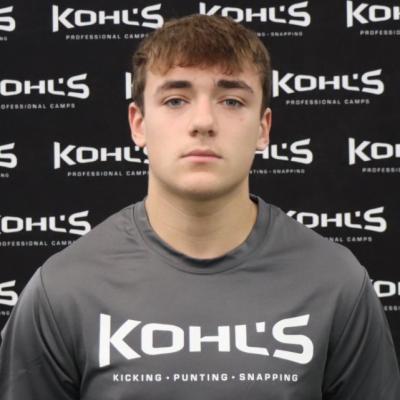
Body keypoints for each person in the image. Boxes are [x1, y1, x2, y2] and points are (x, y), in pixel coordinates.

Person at [0, 14, 399, 400]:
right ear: (138, 124)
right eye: (176, 100)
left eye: (232, 101)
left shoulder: (335, 281)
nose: (204, 121)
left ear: (263, 128)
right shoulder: (65, 289)